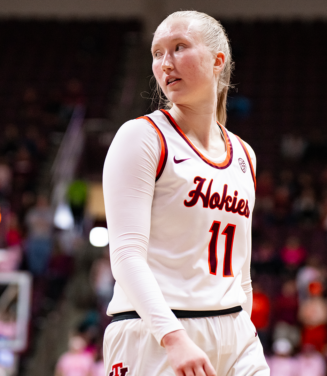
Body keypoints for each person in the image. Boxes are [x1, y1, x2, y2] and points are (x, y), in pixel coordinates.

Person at [102, 10, 268, 376]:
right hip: (156, 331)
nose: (166, 62)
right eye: (157, 52)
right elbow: (127, 254)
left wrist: (244, 326)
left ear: (217, 61)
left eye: (179, 48)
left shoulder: (244, 155)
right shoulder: (142, 136)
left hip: (235, 332)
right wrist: (173, 337)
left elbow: (242, 269)